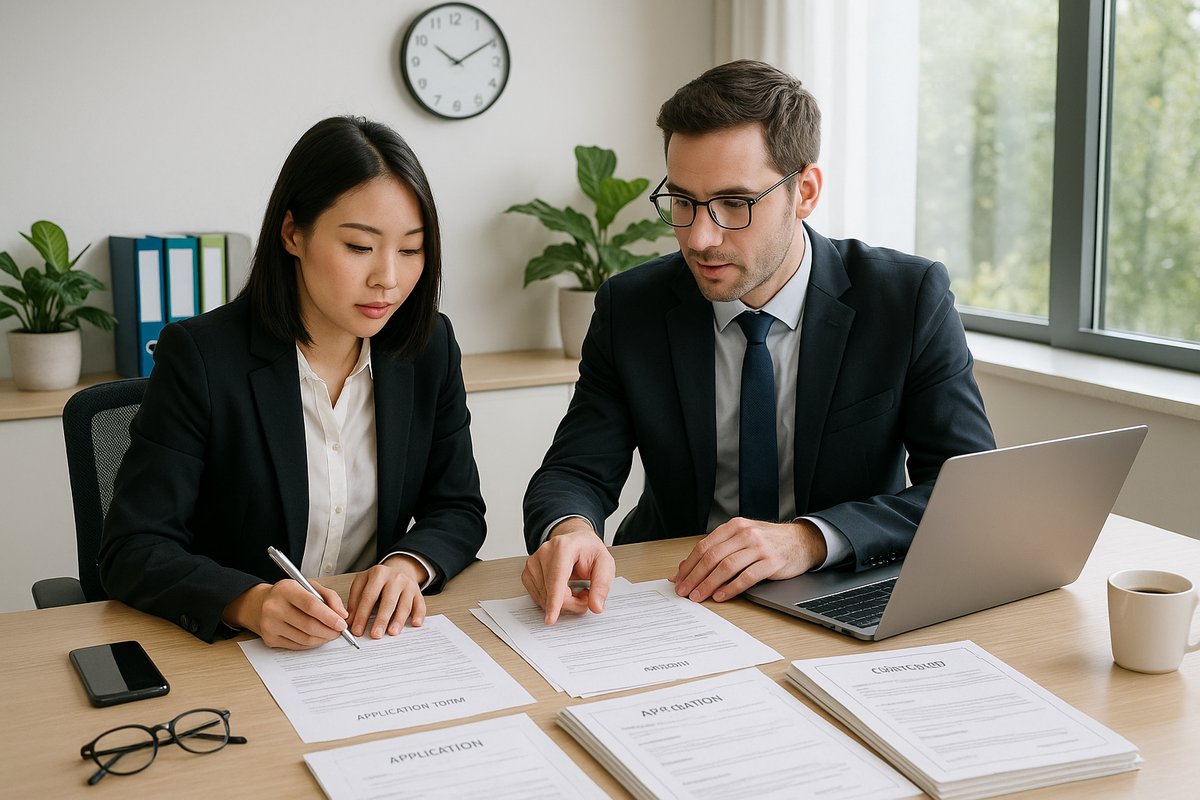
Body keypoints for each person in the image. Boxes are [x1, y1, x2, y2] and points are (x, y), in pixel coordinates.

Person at [521, 60, 995, 624]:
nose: (699, 237)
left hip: (839, 585)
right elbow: (576, 469)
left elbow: (967, 492)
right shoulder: (633, 306)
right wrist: (569, 530)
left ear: (806, 191)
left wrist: (811, 539)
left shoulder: (905, 298)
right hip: (672, 589)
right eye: (682, 202)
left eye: (734, 204)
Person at [100, 116, 486, 649]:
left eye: (411, 249)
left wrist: (407, 564)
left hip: (375, 646)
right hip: (240, 654)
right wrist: (249, 601)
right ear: (292, 234)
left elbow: (457, 507)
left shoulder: (426, 346)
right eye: (359, 247)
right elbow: (134, 546)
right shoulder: (203, 357)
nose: (388, 278)